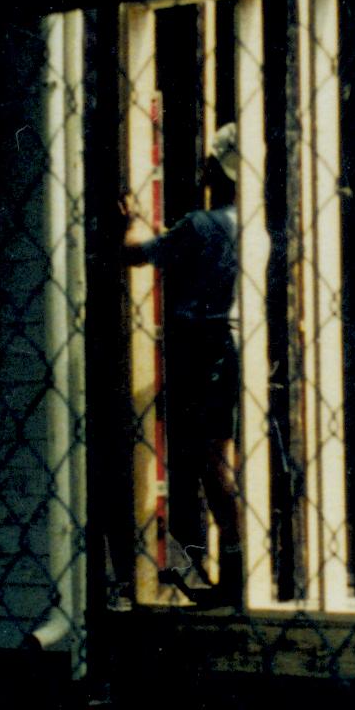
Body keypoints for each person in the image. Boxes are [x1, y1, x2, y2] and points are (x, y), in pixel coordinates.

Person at [126, 125, 244, 600]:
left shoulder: (201, 225)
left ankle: (234, 574)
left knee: (210, 464)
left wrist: (132, 220)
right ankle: (238, 570)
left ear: (216, 170)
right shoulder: (246, 226)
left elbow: (136, 253)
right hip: (236, 350)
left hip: (203, 353)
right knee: (225, 459)